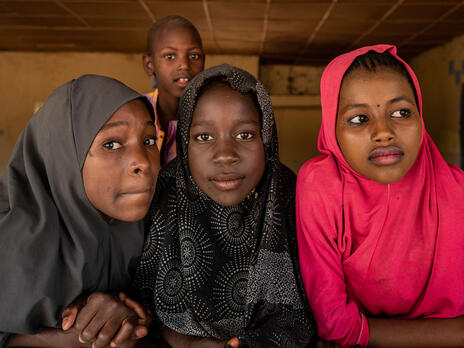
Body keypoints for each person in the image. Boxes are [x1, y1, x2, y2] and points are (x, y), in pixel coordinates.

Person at [133, 64, 314, 347]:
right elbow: (138, 314)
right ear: (184, 143)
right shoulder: (164, 197)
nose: (225, 155)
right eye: (204, 137)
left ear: (266, 138)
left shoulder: (290, 196)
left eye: (244, 135)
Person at [296, 44, 464, 347]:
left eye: (401, 112)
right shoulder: (321, 185)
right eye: (359, 119)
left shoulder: (458, 192)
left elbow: (349, 332)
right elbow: (334, 324)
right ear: (332, 130)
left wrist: (365, 332)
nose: (384, 131)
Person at [0, 74, 161, 347]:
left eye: (148, 141)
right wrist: (74, 337)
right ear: (64, 155)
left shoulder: (146, 228)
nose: (143, 163)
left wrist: (131, 311)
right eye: (111, 144)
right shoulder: (11, 242)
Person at [142, 15, 205, 166]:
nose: (184, 65)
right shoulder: (133, 111)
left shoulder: (214, 115)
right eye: (170, 56)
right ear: (149, 65)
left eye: (194, 56)